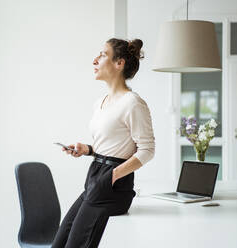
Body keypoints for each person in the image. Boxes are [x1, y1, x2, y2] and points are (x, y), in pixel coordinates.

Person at [51, 38, 155, 248]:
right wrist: (88, 150)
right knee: (59, 243)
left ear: (119, 63)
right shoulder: (100, 102)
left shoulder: (133, 103)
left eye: (103, 54)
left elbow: (147, 150)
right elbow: (112, 145)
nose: (94, 60)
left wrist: (112, 176)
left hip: (114, 186)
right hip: (95, 179)